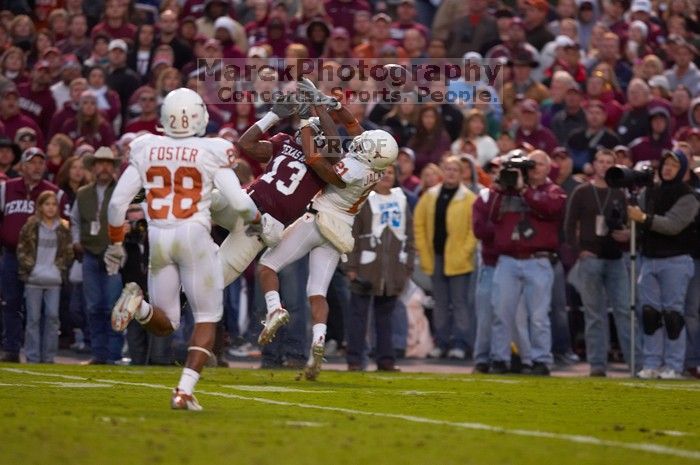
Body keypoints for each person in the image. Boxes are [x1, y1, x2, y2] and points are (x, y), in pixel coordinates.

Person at [106, 88, 260, 410]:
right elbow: (239, 202)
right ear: (199, 115)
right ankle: (184, 390)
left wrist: (117, 244)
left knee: (166, 323)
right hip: (193, 234)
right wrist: (254, 219)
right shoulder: (211, 149)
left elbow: (118, 203)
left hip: (159, 237)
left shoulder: (146, 146)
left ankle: (140, 308)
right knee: (207, 317)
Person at [257, 88, 399, 381]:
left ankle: (274, 310)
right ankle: (318, 342)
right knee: (317, 292)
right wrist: (333, 105)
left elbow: (315, 161)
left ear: (372, 153)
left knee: (267, 266)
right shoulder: (377, 169)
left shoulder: (354, 169)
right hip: (340, 231)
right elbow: (353, 127)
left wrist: (309, 123)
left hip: (317, 218)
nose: (361, 142)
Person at [487, 150, 567, 375]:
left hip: (537, 260)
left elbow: (550, 208)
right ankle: (500, 358)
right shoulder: (506, 191)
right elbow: (492, 216)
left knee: (539, 316)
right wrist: (500, 188)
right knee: (501, 313)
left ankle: (541, 360)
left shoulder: (554, 191)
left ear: (549, 168)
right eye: (531, 165)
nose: (534, 169)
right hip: (508, 260)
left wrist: (524, 190)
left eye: (539, 164)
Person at [564, 149, 638, 376]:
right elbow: (568, 226)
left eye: (609, 162)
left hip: (616, 258)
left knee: (624, 311)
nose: (605, 166)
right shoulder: (582, 192)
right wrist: (579, 251)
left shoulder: (620, 193)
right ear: (594, 165)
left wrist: (627, 235)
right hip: (591, 257)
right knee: (594, 314)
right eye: (601, 161)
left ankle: (636, 363)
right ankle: (597, 364)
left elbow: (627, 225)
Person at [629, 149, 699, 379]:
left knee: (673, 315)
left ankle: (674, 365)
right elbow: (634, 215)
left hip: (676, 260)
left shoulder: (688, 196)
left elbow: (673, 225)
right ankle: (651, 363)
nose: (668, 169)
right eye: (665, 164)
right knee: (650, 314)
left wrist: (644, 219)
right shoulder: (650, 192)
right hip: (649, 258)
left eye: (674, 165)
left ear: (683, 170)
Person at [0, 147, 69, 362]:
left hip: (44, 261)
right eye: (32, 162)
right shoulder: (5, 189)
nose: (37, 167)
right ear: (22, 165)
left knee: (45, 313)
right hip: (11, 255)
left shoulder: (54, 193)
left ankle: (44, 355)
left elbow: (66, 231)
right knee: (10, 303)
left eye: (41, 162)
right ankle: (12, 349)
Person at [344, 164, 414, 371]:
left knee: (385, 318)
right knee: (358, 317)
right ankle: (355, 359)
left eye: (391, 172)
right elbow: (352, 234)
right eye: (382, 172)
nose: (386, 176)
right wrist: (350, 265)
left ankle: (386, 360)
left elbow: (410, 235)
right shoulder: (362, 199)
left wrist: (407, 266)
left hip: (392, 270)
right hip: (365, 267)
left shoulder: (401, 201)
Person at [414, 156, 477, 359]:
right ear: (443, 171)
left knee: (459, 303)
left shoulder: (469, 198)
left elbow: (473, 230)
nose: (451, 173)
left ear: (461, 173)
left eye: (455, 170)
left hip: (459, 259)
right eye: (448, 169)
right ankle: (441, 342)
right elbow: (419, 225)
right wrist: (424, 252)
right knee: (440, 303)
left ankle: (460, 343)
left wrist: (465, 252)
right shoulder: (430, 196)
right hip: (436, 256)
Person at [71, 146, 124, 365]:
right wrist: (75, 240)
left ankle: (113, 354)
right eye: (100, 163)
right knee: (93, 307)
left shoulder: (123, 191)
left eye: (108, 163)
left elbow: (136, 212)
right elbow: (74, 220)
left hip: (113, 252)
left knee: (113, 306)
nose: (104, 167)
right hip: (90, 254)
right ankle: (99, 353)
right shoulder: (82, 193)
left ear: (113, 168)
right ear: (93, 167)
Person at [17, 190, 73, 363]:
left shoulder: (63, 227)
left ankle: (48, 357)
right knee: (33, 319)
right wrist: (30, 268)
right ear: (40, 206)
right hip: (34, 279)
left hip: (53, 279)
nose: (50, 208)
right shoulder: (31, 225)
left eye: (53, 204)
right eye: (46, 204)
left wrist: (58, 269)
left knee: (52, 317)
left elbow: (67, 252)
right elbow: (22, 249)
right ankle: (33, 357)